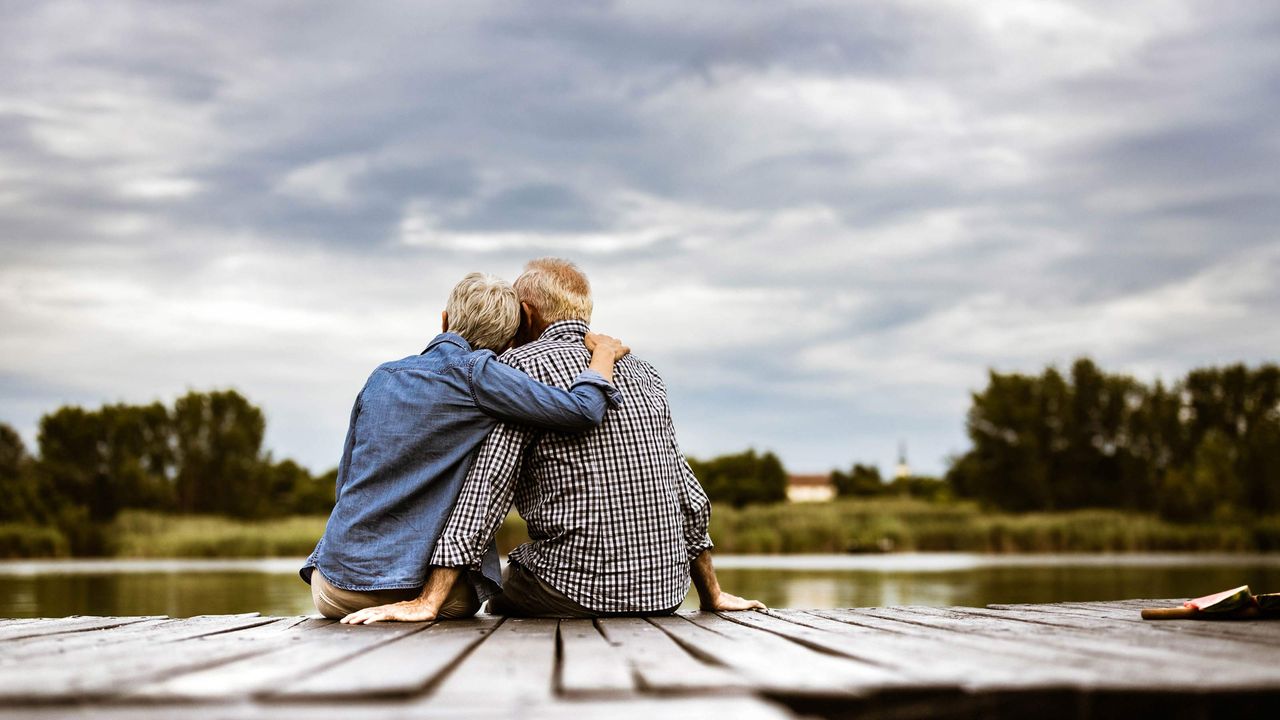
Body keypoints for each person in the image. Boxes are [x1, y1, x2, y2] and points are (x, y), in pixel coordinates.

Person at [341, 258, 764, 624]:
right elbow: (687, 490)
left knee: (493, 587)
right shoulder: (643, 371)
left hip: (571, 589)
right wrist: (712, 594)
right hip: (664, 594)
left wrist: (428, 600)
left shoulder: (515, 368)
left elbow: (486, 490)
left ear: (524, 314)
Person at [300, 271, 629, 620]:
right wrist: (603, 356)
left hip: (335, 587)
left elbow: (345, 483)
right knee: (485, 594)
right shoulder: (483, 376)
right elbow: (583, 410)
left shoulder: (382, 376)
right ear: (509, 343)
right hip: (418, 589)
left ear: (444, 320)